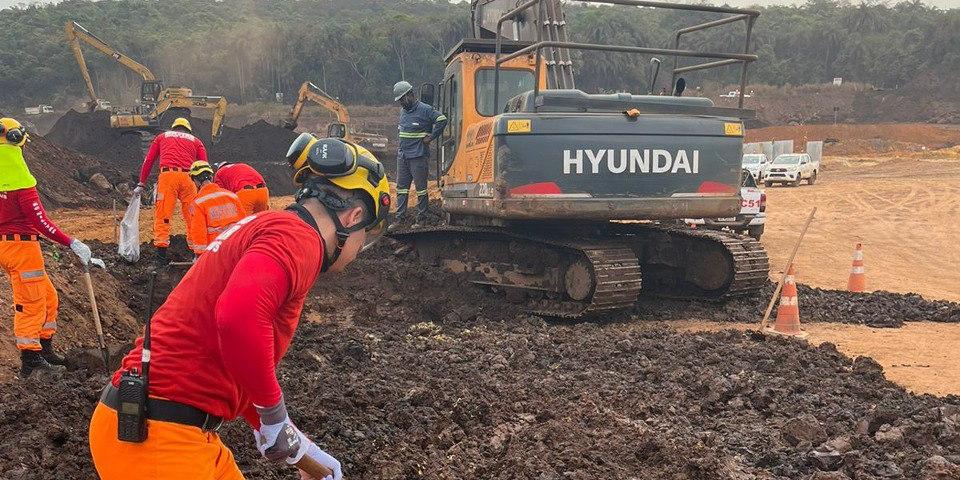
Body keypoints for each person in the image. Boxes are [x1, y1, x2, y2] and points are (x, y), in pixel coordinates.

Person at [88, 133, 391, 480]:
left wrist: (300, 446)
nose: (356, 253)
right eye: (364, 240)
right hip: (160, 437)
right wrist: (274, 416)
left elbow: (237, 362)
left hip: (164, 426)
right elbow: (237, 319)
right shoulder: (299, 239)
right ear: (352, 218)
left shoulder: (269, 227)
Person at [0, 118, 99, 377]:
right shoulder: (20, 180)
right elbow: (40, 221)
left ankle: (44, 350)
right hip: (21, 249)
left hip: (11, 247)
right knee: (31, 302)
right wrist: (71, 242)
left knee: (48, 297)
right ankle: (30, 363)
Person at [135, 117, 207, 264]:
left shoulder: (162, 137)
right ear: (188, 129)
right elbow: (204, 165)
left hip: (168, 177)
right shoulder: (196, 141)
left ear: (174, 127)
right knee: (193, 216)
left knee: (164, 215)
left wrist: (142, 182)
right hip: (189, 178)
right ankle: (196, 254)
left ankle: (161, 257)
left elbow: (149, 160)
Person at [393, 80, 447, 222]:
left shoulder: (425, 109)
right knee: (401, 189)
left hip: (418, 156)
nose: (402, 103)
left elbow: (442, 119)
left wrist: (432, 136)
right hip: (403, 155)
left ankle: (422, 218)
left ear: (410, 95)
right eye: (399, 101)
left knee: (421, 189)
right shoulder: (403, 111)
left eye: (402, 99)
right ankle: (400, 220)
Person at [186, 161, 247, 257]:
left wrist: (199, 256)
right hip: (235, 247)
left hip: (215, 251)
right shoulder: (232, 196)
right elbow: (244, 223)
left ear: (195, 180)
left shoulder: (198, 203)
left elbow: (198, 231)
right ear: (211, 177)